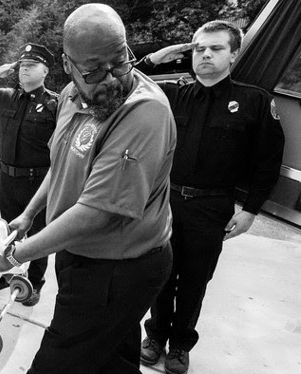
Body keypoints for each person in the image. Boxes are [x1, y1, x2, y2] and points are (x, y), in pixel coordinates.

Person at [0, 4, 175, 373]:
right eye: (94, 69)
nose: (112, 78)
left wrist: (14, 256)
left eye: (120, 62)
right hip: (83, 259)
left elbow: (99, 212)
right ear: (68, 64)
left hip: (118, 269)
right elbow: (63, 165)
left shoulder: (144, 113)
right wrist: (28, 213)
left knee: (56, 364)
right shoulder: (72, 96)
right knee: (112, 361)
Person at [136, 21, 285, 374]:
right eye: (199, 48)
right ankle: (155, 335)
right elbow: (120, 85)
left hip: (212, 206)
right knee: (160, 271)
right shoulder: (173, 94)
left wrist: (250, 211)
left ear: (234, 54)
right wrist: (154, 60)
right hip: (166, 201)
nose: (204, 54)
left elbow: (268, 162)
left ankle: (180, 345)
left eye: (215, 48)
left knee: (194, 279)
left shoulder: (254, 101)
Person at [0, 43, 58, 306]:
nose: (24, 70)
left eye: (31, 66)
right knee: (7, 230)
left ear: (45, 71)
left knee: (37, 234)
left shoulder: (54, 104)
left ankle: (34, 284)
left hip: (37, 181)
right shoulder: (5, 96)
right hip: (7, 179)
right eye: (22, 65)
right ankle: (10, 273)